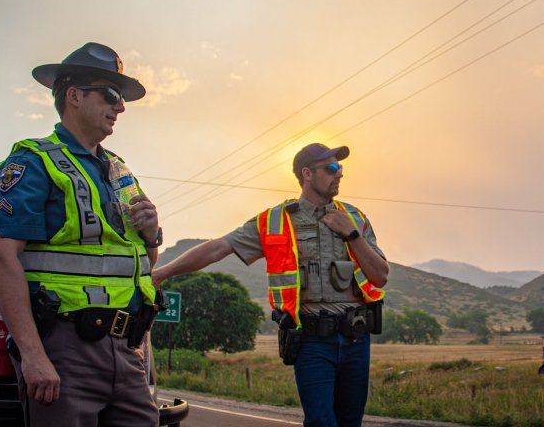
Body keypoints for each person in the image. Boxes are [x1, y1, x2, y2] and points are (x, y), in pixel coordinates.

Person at [153, 142, 389, 427]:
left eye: (340, 168)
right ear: (307, 174)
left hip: (355, 338)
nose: (339, 174)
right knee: (321, 422)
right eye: (331, 168)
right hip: (312, 341)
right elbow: (218, 248)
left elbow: (380, 276)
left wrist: (351, 233)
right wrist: (162, 272)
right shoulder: (275, 220)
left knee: (351, 422)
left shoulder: (355, 217)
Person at [0, 42, 163, 427]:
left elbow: (144, 264)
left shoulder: (119, 171)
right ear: (74, 96)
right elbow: (1, 258)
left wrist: (151, 235)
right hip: (64, 350)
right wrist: (33, 355)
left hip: (127, 348)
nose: (120, 107)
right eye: (112, 94)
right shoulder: (33, 163)